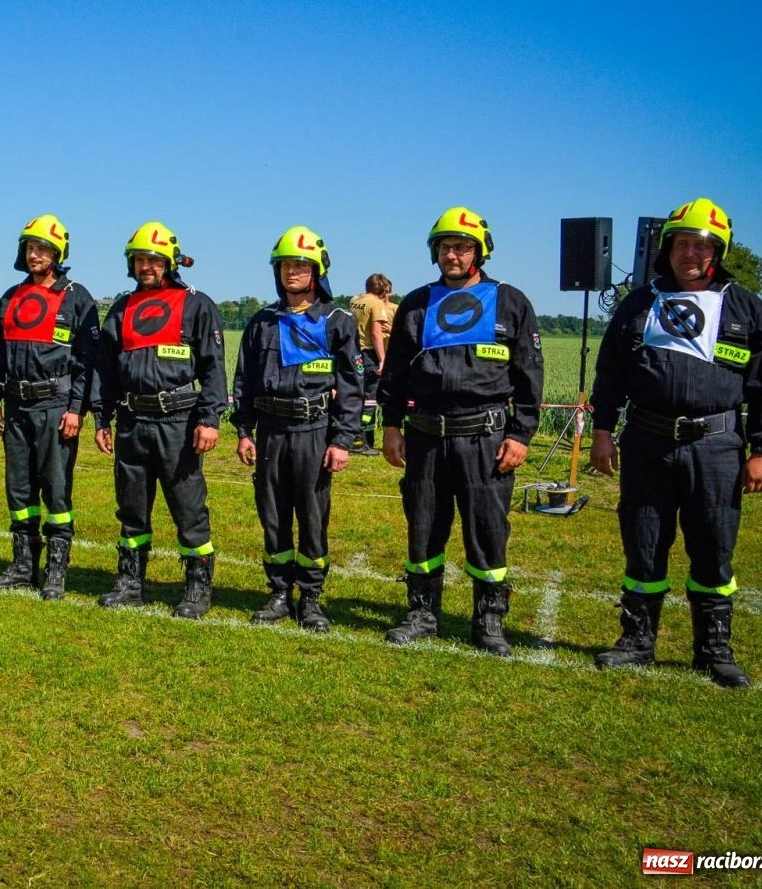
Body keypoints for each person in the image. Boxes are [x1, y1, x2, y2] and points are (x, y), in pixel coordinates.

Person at [589, 198, 762, 688]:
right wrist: (603, 433)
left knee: (713, 547)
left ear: (717, 250)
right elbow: (609, 374)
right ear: (667, 249)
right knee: (644, 543)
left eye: (701, 245)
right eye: (681, 244)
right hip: (647, 443)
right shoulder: (638, 303)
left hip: (716, 447)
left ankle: (713, 649)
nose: (690, 253)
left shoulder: (746, 307)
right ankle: (636, 641)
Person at [379, 207, 543, 656]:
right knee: (424, 527)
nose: (453, 255)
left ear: (480, 251)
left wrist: (522, 434)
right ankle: (422, 613)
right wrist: (391, 426)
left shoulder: (510, 301)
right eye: (445, 247)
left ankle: (489, 621)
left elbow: (530, 374)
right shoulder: (416, 303)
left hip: (485, 438)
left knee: (487, 530)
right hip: (426, 437)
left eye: (462, 247)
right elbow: (394, 373)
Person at [232, 226, 364, 631]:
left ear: (317, 270)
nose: (292, 272)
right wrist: (244, 431)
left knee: (311, 516)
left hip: (314, 430)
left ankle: (310, 598)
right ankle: (277, 594)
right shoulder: (262, 322)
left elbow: (354, 386)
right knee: (272, 515)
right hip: (271, 430)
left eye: (301, 265)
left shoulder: (337, 321)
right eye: (286, 264)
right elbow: (244, 382)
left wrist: (342, 440)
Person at [93, 222, 227, 619]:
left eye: (154, 260)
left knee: (188, 508)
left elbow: (213, 367)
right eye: (140, 260)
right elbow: (105, 370)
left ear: (169, 262)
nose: (147, 267)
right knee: (131, 507)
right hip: (133, 422)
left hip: (180, 422)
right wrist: (102, 417)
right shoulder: (122, 307)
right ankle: (131, 582)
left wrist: (211, 419)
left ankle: (197, 587)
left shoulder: (196, 304)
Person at [0, 214, 99, 598]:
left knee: (56, 490)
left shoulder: (77, 297)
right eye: (31, 248)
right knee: (18, 490)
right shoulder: (10, 297)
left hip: (56, 406)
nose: (35, 255)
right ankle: (22, 565)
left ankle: (55, 572)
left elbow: (88, 361)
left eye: (43, 248)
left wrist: (76, 409)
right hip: (16, 407)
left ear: (58, 252)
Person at [348, 273, 394, 454]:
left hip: (353, 353)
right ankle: (362, 439)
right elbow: (376, 333)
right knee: (371, 398)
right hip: (369, 354)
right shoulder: (376, 304)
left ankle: (352, 435)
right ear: (383, 291)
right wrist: (382, 360)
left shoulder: (355, 300)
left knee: (355, 395)